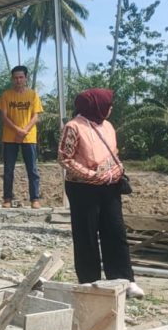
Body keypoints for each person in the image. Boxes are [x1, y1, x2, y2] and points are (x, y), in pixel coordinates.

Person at [58, 88, 143, 298]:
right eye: (107, 104)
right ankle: (89, 281)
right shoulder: (73, 126)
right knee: (86, 235)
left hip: (110, 186)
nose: (110, 108)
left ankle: (125, 280)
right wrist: (91, 175)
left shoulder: (108, 126)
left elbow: (113, 153)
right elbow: (64, 158)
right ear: (95, 105)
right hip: (83, 188)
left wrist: (116, 170)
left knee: (115, 232)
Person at [0, 65, 44, 208]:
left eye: (21, 77)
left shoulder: (33, 95)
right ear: (12, 79)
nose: (18, 80)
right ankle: (7, 199)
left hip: (29, 138)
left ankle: (35, 199)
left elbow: (36, 116)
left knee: (32, 169)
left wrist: (24, 131)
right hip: (10, 137)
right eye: (16, 78)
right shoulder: (6, 95)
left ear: (26, 78)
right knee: (8, 169)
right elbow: (4, 117)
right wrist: (18, 130)